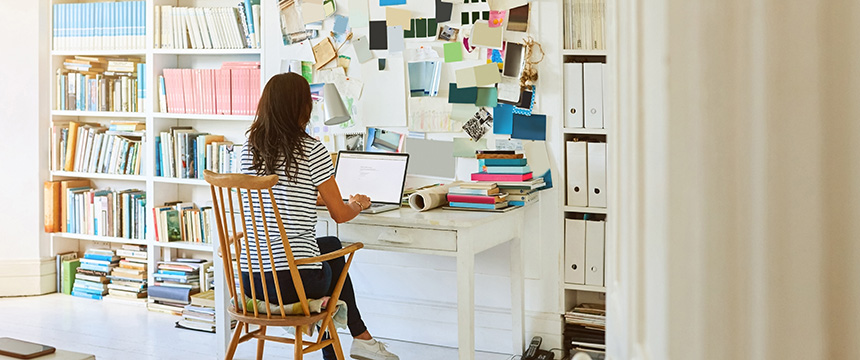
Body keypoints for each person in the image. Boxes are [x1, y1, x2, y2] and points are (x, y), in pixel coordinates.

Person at [239, 72, 399, 360]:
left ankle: (360, 339)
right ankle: (361, 338)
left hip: (252, 281)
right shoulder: (313, 149)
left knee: (327, 249)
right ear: (303, 107)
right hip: (291, 283)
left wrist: (306, 196)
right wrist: (358, 204)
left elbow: (274, 195)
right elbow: (339, 214)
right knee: (334, 251)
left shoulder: (247, 149)